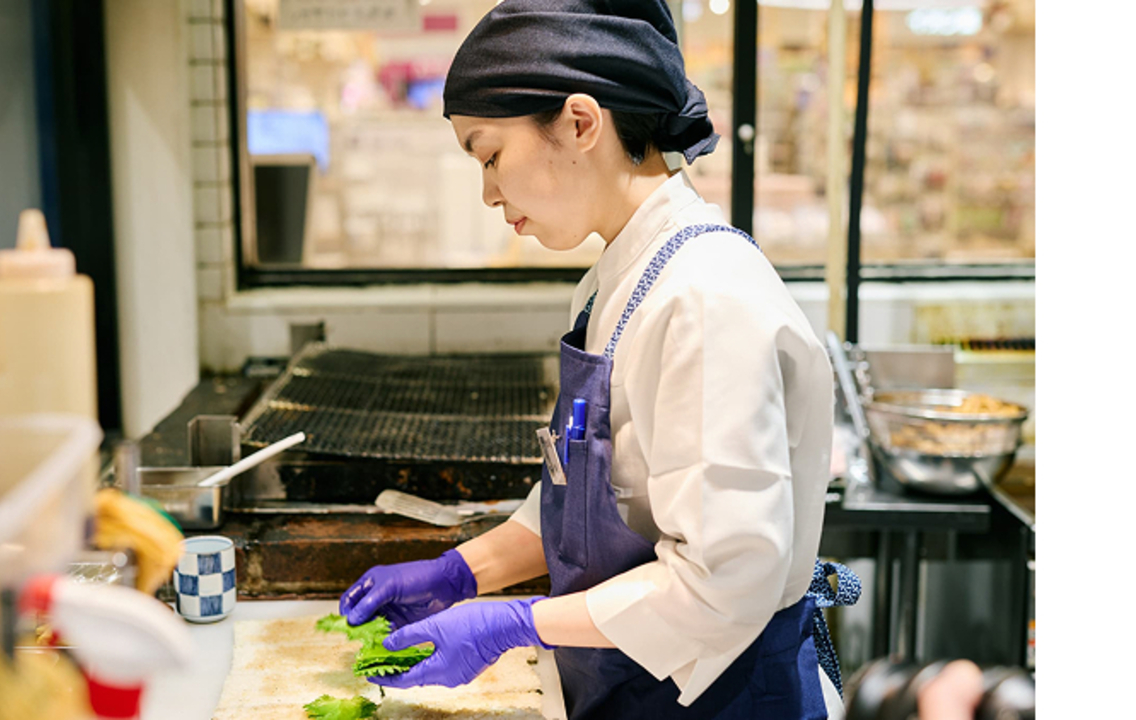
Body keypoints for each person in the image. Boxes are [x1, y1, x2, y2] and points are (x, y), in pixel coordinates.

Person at [339, 1, 858, 717]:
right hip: (629, 685)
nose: (488, 192)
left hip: (723, 697)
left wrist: (513, 625)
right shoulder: (614, 280)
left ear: (581, 123)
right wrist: (465, 572)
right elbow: (589, 502)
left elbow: (722, 580)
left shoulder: (703, 297)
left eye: (490, 155)